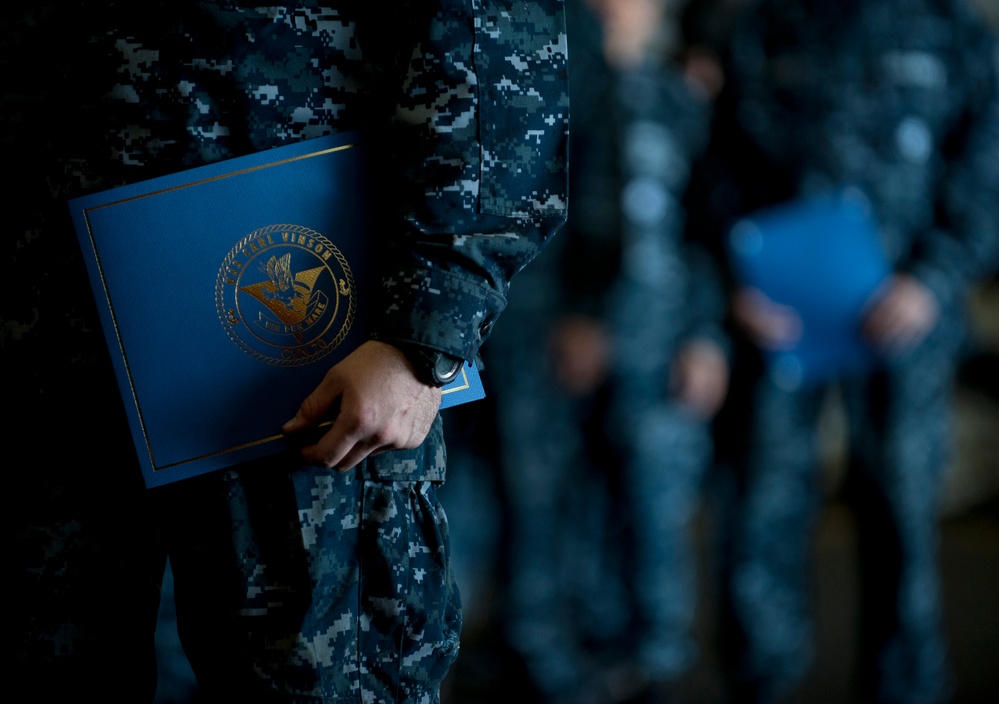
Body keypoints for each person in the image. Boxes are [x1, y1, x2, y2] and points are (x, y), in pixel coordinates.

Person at [7, 2, 567, 701]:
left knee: (311, 680)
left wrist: (423, 332)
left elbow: (491, 45)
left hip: (294, 334)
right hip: (44, 333)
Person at [689, 0, 999, 702]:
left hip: (904, 321)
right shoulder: (760, 25)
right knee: (762, 503)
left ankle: (905, 687)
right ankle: (759, 679)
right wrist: (736, 278)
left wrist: (934, 278)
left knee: (901, 510)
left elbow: (987, 168)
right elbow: (714, 163)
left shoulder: (950, 29)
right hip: (778, 323)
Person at [487, 1, 729, 701]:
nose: (613, 8)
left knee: (649, 500)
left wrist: (704, 335)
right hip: (552, 327)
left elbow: (708, 228)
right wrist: (580, 312)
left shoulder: (680, 99)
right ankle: (551, 651)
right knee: (546, 492)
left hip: (653, 337)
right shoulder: (551, 82)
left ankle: (650, 656)